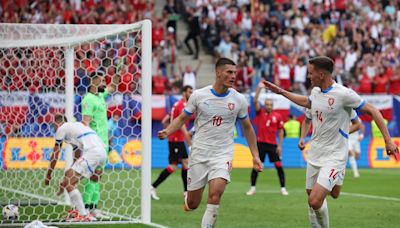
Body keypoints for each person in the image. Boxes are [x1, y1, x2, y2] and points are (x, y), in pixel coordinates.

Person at [264, 56, 398, 228]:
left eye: (310, 73)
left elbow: (373, 111)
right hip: (315, 153)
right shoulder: (315, 92)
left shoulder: (343, 94)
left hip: (334, 155)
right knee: (321, 195)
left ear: (321, 75)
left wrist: (388, 141)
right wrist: (282, 92)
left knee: (314, 201)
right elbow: (307, 102)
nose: (308, 77)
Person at [158, 58, 263, 228]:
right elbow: (183, 118)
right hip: (199, 153)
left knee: (215, 194)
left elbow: (248, 128)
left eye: (235, 73)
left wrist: (255, 156)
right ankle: (189, 199)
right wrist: (168, 130)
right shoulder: (199, 95)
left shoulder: (239, 99)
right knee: (193, 204)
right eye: (229, 72)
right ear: (218, 73)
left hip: (222, 154)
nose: (233, 76)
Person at [45, 115, 107, 221]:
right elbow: (77, 153)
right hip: (102, 153)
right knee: (69, 177)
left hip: (93, 152)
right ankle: (75, 212)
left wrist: (48, 174)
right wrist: (70, 172)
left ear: (57, 123)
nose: (54, 128)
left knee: (69, 182)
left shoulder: (62, 128)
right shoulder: (76, 128)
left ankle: (83, 215)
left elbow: (55, 154)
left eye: (53, 125)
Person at [80, 70, 120, 219]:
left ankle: (94, 208)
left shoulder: (100, 95)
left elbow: (112, 87)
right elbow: (85, 123)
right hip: (94, 143)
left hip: (104, 143)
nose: (104, 82)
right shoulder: (88, 100)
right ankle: (85, 208)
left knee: (98, 176)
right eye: (102, 80)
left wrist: (116, 78)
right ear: (94, 80)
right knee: (92, 175)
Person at [151, 85, 193, 200]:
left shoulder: (177, 105)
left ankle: (186, 192)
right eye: (190, 92)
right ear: (184, 93)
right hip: (176, 139)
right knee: (173, 166)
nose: (191, 94)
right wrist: (189, 143)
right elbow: (182, 125)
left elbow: (165, 120)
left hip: (176, 138)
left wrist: (168, 130)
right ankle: (152, 186)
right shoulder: (182, 105)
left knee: (185, 163)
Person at [246, 82, 288, 196]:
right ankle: (253, 188)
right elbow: (255, 101)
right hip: (260, 144)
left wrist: (280, 145)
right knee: (256, 166)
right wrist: (259, 88)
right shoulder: (260, 113)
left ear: (272, 106)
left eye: (270, 104)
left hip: (272, 145)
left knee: (279, 166)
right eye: (267, 104)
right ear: (264, 105)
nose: (269, 106)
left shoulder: (278, 116)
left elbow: (280, 131)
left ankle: (283, 188)